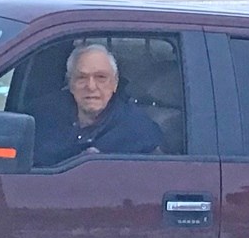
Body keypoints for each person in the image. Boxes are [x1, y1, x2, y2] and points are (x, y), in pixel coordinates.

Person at [32, 43, 164, 166]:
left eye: (101, 77)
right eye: (81, 78)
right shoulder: (43, 117)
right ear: (70, 84)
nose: (91, 86)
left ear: (115, 83)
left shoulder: (137, 129)